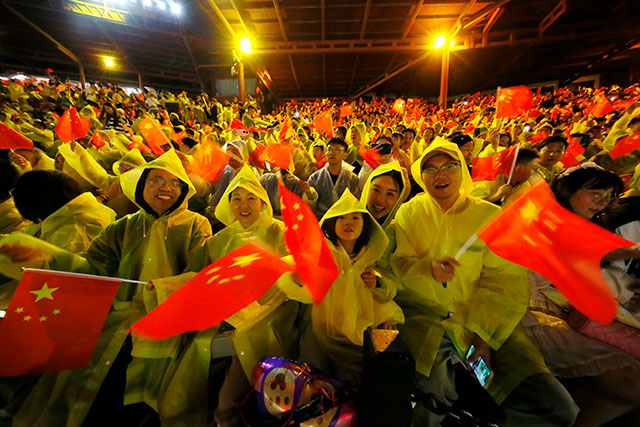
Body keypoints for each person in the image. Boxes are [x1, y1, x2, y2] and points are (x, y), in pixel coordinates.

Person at [1, 150, 212, 426]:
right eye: (157, 180)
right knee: (98, 391)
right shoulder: (123, 227)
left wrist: (162, 288)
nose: (166, 188)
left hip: (167, 324)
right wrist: (47, 257)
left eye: (174, 183)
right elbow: (92, 268)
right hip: (117, 322)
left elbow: (199, 274)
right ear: (141, 185)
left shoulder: (196, 225)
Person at [390, 138, 578, 426]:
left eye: (448, 166)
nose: (440, 175)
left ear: (461, 170)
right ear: (420, 176)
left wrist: (483, 337)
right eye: (430, 169)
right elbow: (400, 264)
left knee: (555, 405)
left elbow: (504, 281)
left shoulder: (488, 216)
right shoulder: (410, 212)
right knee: (436, 393)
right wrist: (427, 269)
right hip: (426, 319)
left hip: (484, 320)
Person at [522, 163, 640, 426]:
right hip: (531, 311)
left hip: (565, 308)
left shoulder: (588, 228)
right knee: (630, 380)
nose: (602, 202)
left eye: (608, 196)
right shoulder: (543, 222)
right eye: (595, 193)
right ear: (568, 190)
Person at [188, 164, 300, 426]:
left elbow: (292, 281)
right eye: (236, 198)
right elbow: (202, 278)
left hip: (265, 320)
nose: (243, 205)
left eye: (251, 198)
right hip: (223, 320)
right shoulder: (221, 239)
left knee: (230, 398)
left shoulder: (280, 233)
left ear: (263, 202)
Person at [298, 189, 404, 383]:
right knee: (312, 375)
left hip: (357, 332)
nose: (348, 222)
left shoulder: (368, 259)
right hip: (323, 330)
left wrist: (378, 284)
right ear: (332, 223)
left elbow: (386, 292)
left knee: (357, 378)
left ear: (365, 225)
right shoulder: (323, 255)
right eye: (342, 218)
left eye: (355, 218)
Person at [307, 137, 360, 219]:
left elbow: (356, 204)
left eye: (337, 150)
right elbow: (310, 204)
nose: (332, 153)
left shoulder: (352, 178)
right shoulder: (315, 178)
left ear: (345, 155)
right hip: (321, 220)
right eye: (329, 150)